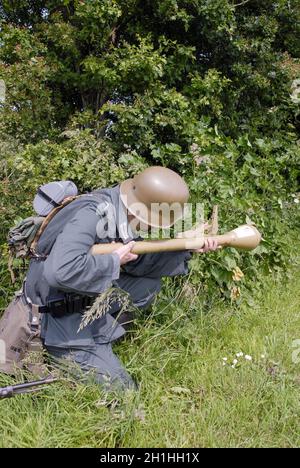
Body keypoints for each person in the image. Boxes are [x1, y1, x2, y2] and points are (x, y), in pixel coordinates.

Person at [25, 166, 217, 390]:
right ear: (142, 210)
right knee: (125, 394)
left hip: (75, 298)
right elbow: (60, 271)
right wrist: (114, 261)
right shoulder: (93, 212)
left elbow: (137, 262)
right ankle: (67, 355)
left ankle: (99, 337)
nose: (152, 227)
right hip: (55, 317)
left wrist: (186, 248)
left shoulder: (120, 210)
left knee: (146, 285)